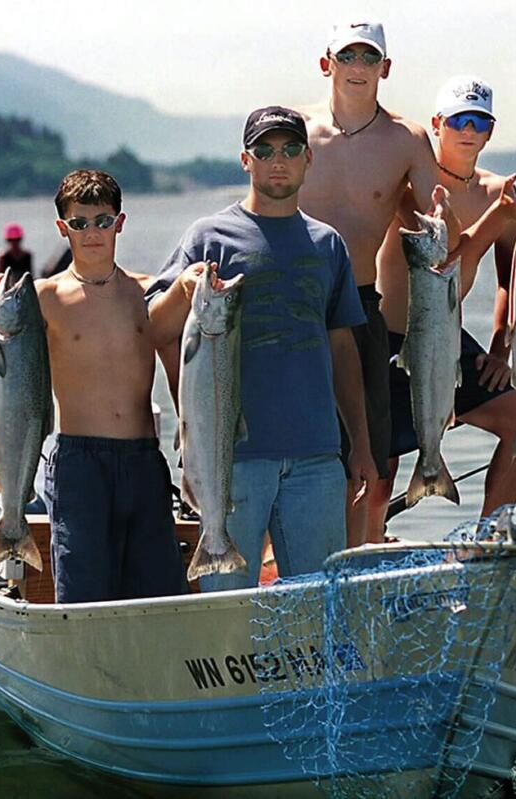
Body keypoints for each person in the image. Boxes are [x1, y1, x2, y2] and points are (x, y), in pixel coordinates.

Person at [147, 106, 377, 591]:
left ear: (307, 159)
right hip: (231, 461)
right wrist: (183, 291)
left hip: (317, 458)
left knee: (318, 607)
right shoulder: (207, 236)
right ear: (245, 160)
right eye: (265, 150)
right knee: (225, 609)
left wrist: (360, 442)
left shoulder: (328, 244)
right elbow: (151, 327)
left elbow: (342, 348)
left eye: (290, 149)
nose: (279, 160)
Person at [0, 169, 193, 603]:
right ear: (63, 228)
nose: (92, 232)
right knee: (83, 595)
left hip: (143, 460)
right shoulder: (41, 297)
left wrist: (192, 445)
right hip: (78, 464)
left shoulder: (148, 292)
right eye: (79, 223)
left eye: (102, 220)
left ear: (120, 222)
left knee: (161, 593)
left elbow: (181, 372)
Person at [296, 20, 457, 548]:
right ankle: (294, 560)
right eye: (349, 57)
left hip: (362, 306)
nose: (358, 68)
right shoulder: (295, 134)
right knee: (290, 449)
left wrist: (445, 216)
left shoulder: (406, 139)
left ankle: (359, 559)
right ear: (327, 63)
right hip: (294, 309)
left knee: (370, 457)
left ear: (385, 68)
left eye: (369, 58)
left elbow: (440, 220)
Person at [371, 75, 516, 542]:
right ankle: (364, 548)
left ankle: (487, 538)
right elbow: (439, 259)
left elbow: (511, 281)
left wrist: (502, 351)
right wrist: (496, 218)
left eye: (479, 122)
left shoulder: (497, 190)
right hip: (390, 335)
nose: (468, 131)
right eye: (458, 120)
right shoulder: (411, 183)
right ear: (437, 125)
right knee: (381, 471)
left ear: (490, 131)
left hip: (447, 335)